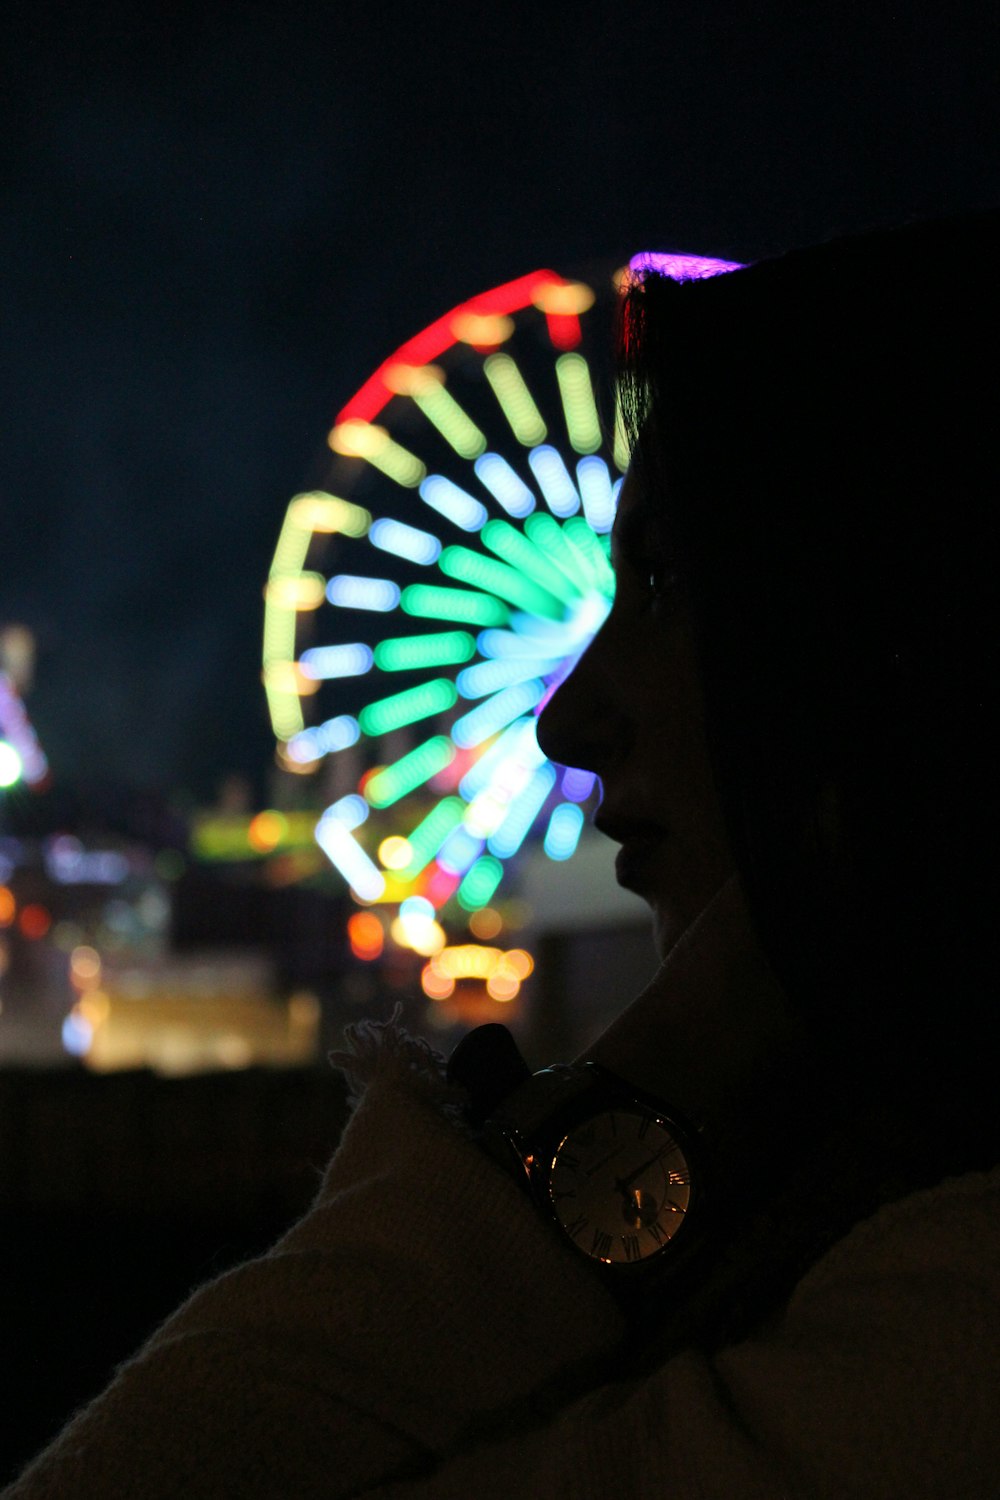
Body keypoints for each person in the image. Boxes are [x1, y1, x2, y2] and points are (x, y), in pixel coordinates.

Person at [5, 213, 998, 1497]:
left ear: (911, 662)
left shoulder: (937, 1361)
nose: (566, 716)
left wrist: (651, 1077)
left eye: (667, 584)